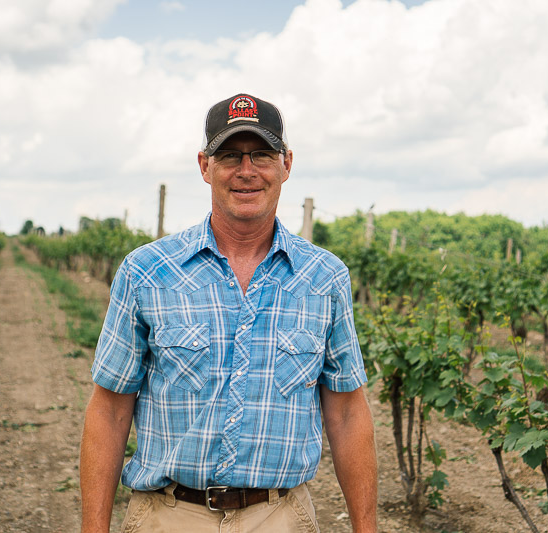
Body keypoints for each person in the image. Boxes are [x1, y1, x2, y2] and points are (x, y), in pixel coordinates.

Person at [79, 93, 377, 533]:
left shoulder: (324, 278)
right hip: (168, 516)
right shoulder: (147, 272)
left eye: (261, 154)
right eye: (229, 156)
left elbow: (348, 412)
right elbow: (109, 410)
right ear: (204, 166)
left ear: (286, 164)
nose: (246, 171)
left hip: (281, 517)